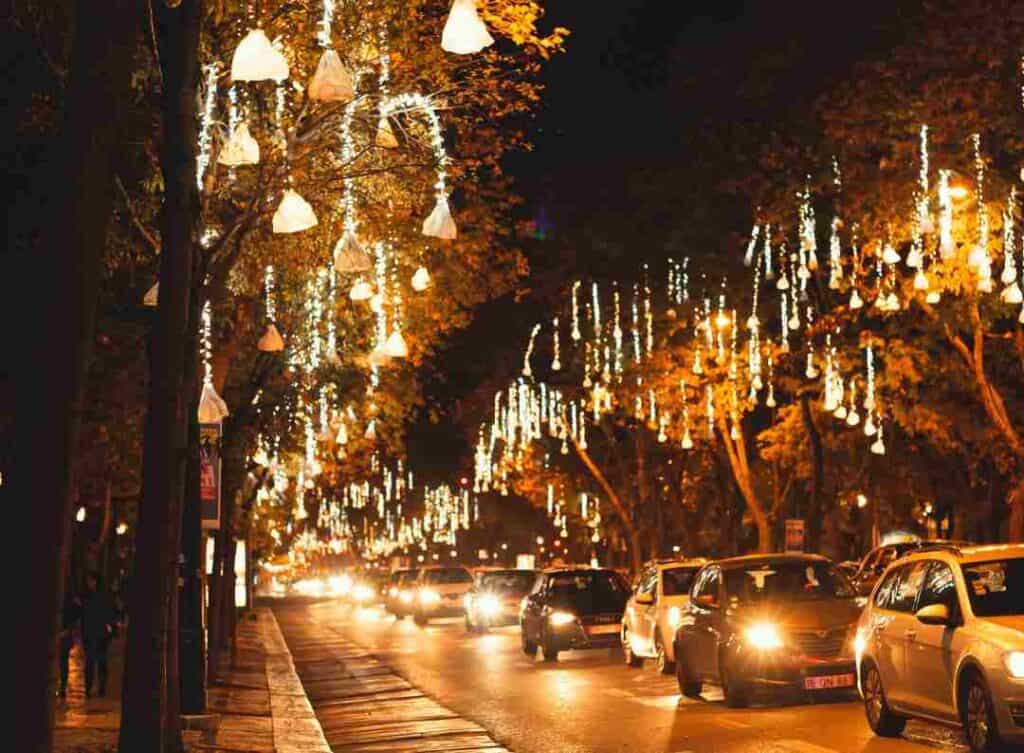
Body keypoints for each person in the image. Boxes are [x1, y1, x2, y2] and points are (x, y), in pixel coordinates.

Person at [80, 572, 116, 697]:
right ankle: (89, 688)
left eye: (91, 580)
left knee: (101, 662)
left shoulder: (102, 596)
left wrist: (109, 630)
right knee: (90, 663)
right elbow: (84, 616)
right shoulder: (86, 596)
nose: (89, 583)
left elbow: (109, 614)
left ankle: (101, 688)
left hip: (100, 635)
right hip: (91, 634)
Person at [58, 585, 81, 697]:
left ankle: (62, 685)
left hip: (64, 635)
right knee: (62, 662)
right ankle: (62, 685)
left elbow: (76, 613)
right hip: (63, 634)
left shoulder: (69, 600)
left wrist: (67, 630)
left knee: (63, 661)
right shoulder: (68, 600)